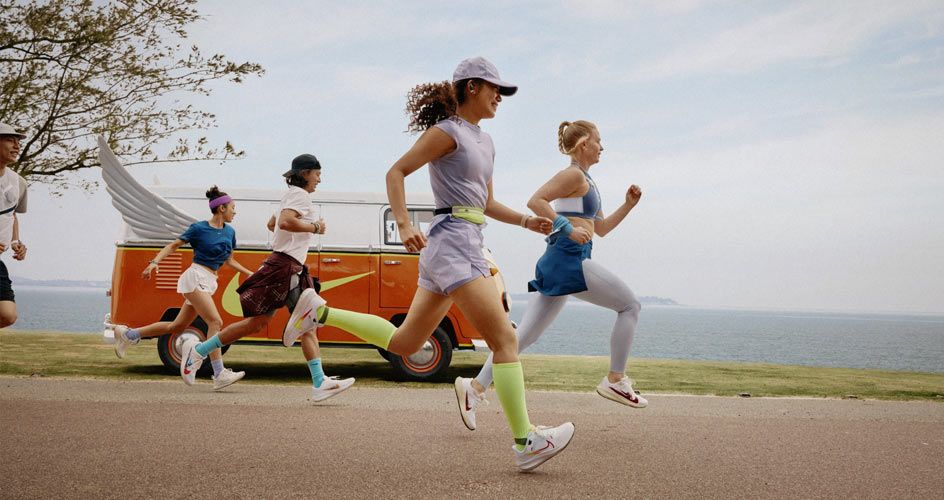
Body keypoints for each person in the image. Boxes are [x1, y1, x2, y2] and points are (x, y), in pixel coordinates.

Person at [281, 57, 576, 471]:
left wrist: (526, 220)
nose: (500, 97)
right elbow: (397, 171)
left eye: (502, 92)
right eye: (495, 89)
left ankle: (318, 310)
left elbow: (486, 203)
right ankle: (526, 441)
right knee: (505, 342)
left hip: (460, 242)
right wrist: (403, 224)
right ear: (471, 87)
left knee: (404, 344)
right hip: (454, 242)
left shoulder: (486, 141)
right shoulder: (446, 133)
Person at [455, 119, 646, 430]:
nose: (602, 147)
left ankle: (473, 389)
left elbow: (602, 229)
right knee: (630, 306)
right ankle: (615, 379)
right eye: (599, 141)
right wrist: (568, 228)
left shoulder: (586, 181)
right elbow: (536, 201)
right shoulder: (571, 174)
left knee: (522, 337)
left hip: (566, 260)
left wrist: (628, 205)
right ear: (584, 143)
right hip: (567, 260)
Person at [179, 154, 355, 402]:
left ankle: (319, 381)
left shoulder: (291, 195)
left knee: (269, 323)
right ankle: (318, 381)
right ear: (305, 173)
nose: (319, 179)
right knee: (304, 321)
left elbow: (273, 224)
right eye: (317, 174)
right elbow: (284, 222)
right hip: (285, 266)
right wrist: (315, 228)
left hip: (290, 266)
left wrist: (286, 227)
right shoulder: (300, 195)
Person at [109, 186, 252, 390]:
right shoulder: (199, 229)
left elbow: (230, 260)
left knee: (175, 327)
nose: (235, 211)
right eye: (232, 207)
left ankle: (128, 335)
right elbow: (173, 246)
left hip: (210, 281)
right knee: (215, 321)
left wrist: (250, 274)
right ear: (221, 209)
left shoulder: (230, 232)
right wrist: (154, 263)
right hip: (194, 277)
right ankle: (219, 372)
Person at [0, 123, 29, 328]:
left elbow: (12, 215)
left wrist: (16, 241)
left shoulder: (18, 182)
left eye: (18, 141)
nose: (17, 146)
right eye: (10, 140)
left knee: (7, 315)